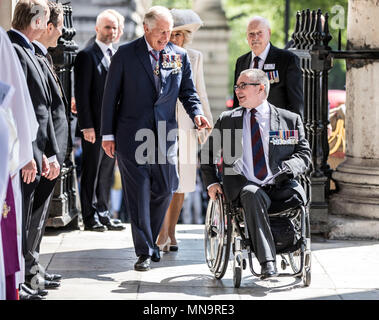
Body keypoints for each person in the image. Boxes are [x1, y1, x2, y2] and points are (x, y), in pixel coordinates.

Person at [101, 6, 210, 272]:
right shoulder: (125, 54)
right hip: (131, 137)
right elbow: (109, 97)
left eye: (169, 31)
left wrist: (197, 114)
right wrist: (107, 134)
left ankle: (149, 240)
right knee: (138, 194)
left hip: (165, 137)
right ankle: (145, 251)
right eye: (161, 31)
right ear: (147, 28)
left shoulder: (179, 56)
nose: (166, 36)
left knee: (166, 187)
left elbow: (189, 93)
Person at [201, 69, 311, 278]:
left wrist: (287, 168)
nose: (238, 90)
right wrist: (211, 183)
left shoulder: (289, 120)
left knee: (295, 198)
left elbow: (304, 155)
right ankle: (268, 262)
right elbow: (207, 154)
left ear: (261, 88)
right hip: (247, 187)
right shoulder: (228, 120)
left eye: (243, 85)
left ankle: (289, 244)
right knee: (251, 195)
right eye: (237, 86)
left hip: (281, 185)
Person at [7, 0, 61, 298]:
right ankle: (19, 280)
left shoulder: (26, 49)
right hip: (25, 154)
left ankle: (27, 276)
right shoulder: (14, 50)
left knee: (31, 219)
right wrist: (32, 152)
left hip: (36, 150)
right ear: (38, 20)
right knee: (21, 220)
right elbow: (21, 108)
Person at [156, 8, 213, 252]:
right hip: (159, 127)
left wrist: (205, 122)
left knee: (182, 183)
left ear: (185, 37)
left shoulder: (194, 57)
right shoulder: (155, 55)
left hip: (187, 127)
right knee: (161, 180)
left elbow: (200, 92)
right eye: (172, 34)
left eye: (180, 35)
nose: (175, 39)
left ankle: (172, 231)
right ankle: (160, 232)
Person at [23, 0, 70, 295]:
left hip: (49, 152)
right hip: (40, 153)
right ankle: (28, 271)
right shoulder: (26, 55)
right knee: (30, 217)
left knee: (38, 218)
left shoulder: (44, 56)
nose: (62, 34)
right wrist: (45, 152)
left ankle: (34, 267)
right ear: (46, 26)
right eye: (61, 27)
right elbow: (36, 110)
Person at [74, 10, 125, 232]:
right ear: (97, 29)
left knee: (106, 171)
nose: (111, 32)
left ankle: (104, 213)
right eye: (107, 27)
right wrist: (86, 126)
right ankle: (89, 216)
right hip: (93, 127)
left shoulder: (118, 55)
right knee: (91, 171)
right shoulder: (86, 55)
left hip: (112, 128)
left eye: (114, 28)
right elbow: (82, 94)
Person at [232, 16, 304, 119]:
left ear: (269, 33)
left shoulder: (287, 59)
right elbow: (237, 100)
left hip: (275, 128)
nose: (255, 37)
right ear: (247, 37)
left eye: (259, 33)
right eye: (251, 34)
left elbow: (296, 104)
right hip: (248, 128)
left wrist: (290, 132)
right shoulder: (241, 62)